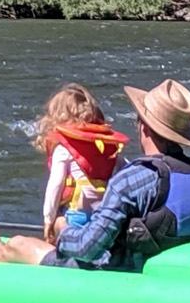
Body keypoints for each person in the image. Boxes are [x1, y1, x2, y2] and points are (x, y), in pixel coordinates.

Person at [0, 79, 190, 270]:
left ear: (143, 128)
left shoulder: (131, 179)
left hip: (119, 272)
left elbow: (88, 249)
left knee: (20, 245)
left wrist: (62, 228)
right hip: (179, 270)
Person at [32, 84, 128, 240]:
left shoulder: (63, 149)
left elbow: (55, 185)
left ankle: (56, 250)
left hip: (76, 216)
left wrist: (48, 220)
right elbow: (127, 169)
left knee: (58, 223)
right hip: (103, 216)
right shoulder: (104, 146)